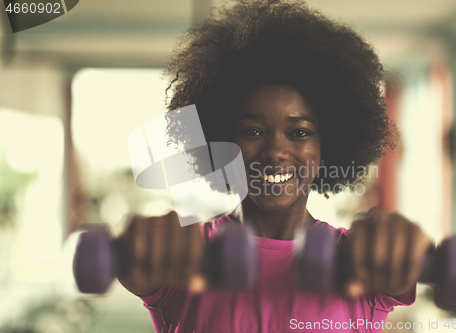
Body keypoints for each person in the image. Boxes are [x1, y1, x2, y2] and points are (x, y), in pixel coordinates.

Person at [115, 0, 433, 332]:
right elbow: (134, 269)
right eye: (253, 131)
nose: (275, 151)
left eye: (299, 132)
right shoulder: (183, 260)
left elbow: (403, 274)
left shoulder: (359, 264)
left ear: (328, 147)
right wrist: (133, 248)